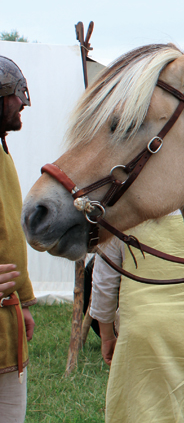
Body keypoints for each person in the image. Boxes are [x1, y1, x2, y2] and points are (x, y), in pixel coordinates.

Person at [89, 214, 184, 423]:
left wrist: (106, 334)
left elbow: (104, 282)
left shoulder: (123, 215)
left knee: (140, 403)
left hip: (144, 323)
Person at [0, 56, 35, 423]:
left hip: (5, 326)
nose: (23, 102)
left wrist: (22, 302)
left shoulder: (2, 150)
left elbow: (8, 232)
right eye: (14, 94)